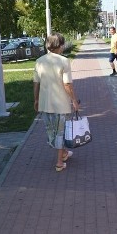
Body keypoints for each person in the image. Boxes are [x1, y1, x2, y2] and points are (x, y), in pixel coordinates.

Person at [33, 33, 80, 172]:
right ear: (59, 45)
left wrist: (36, 100)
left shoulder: (39, 61)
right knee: (60, 132)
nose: (63, 46)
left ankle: (64, 153)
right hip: (60, 103)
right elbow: (67, 85)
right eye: (62, 44)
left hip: (45, 103)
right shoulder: (64, 61)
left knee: (51, 132)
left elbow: (36, 83)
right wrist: (74, 100)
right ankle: (59, 162)